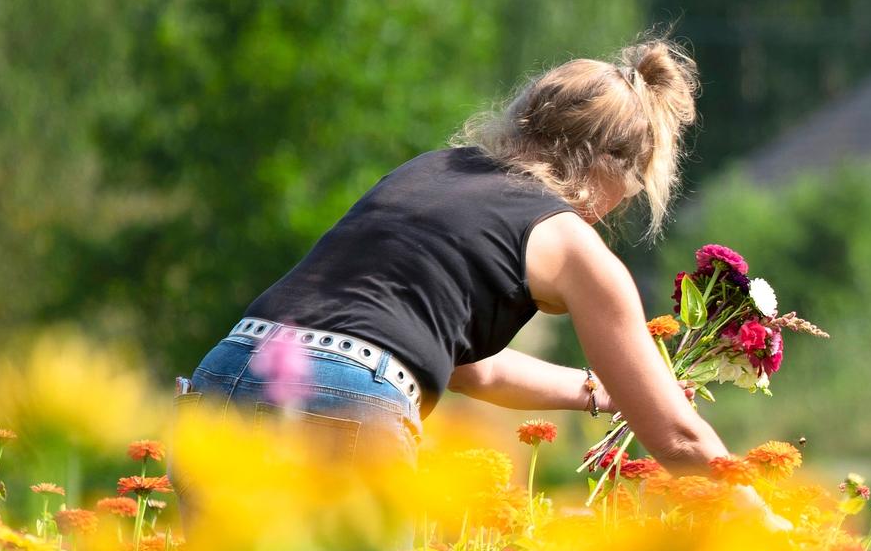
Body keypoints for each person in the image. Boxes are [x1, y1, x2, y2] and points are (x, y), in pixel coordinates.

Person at [184, 37, 750, 482]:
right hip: (345, 395)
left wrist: (599, 390)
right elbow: (679, 439)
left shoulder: (434, 170)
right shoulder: (572, 243)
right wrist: (772, 529)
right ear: (617, 172)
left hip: (231, 365)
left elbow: (472, 367)